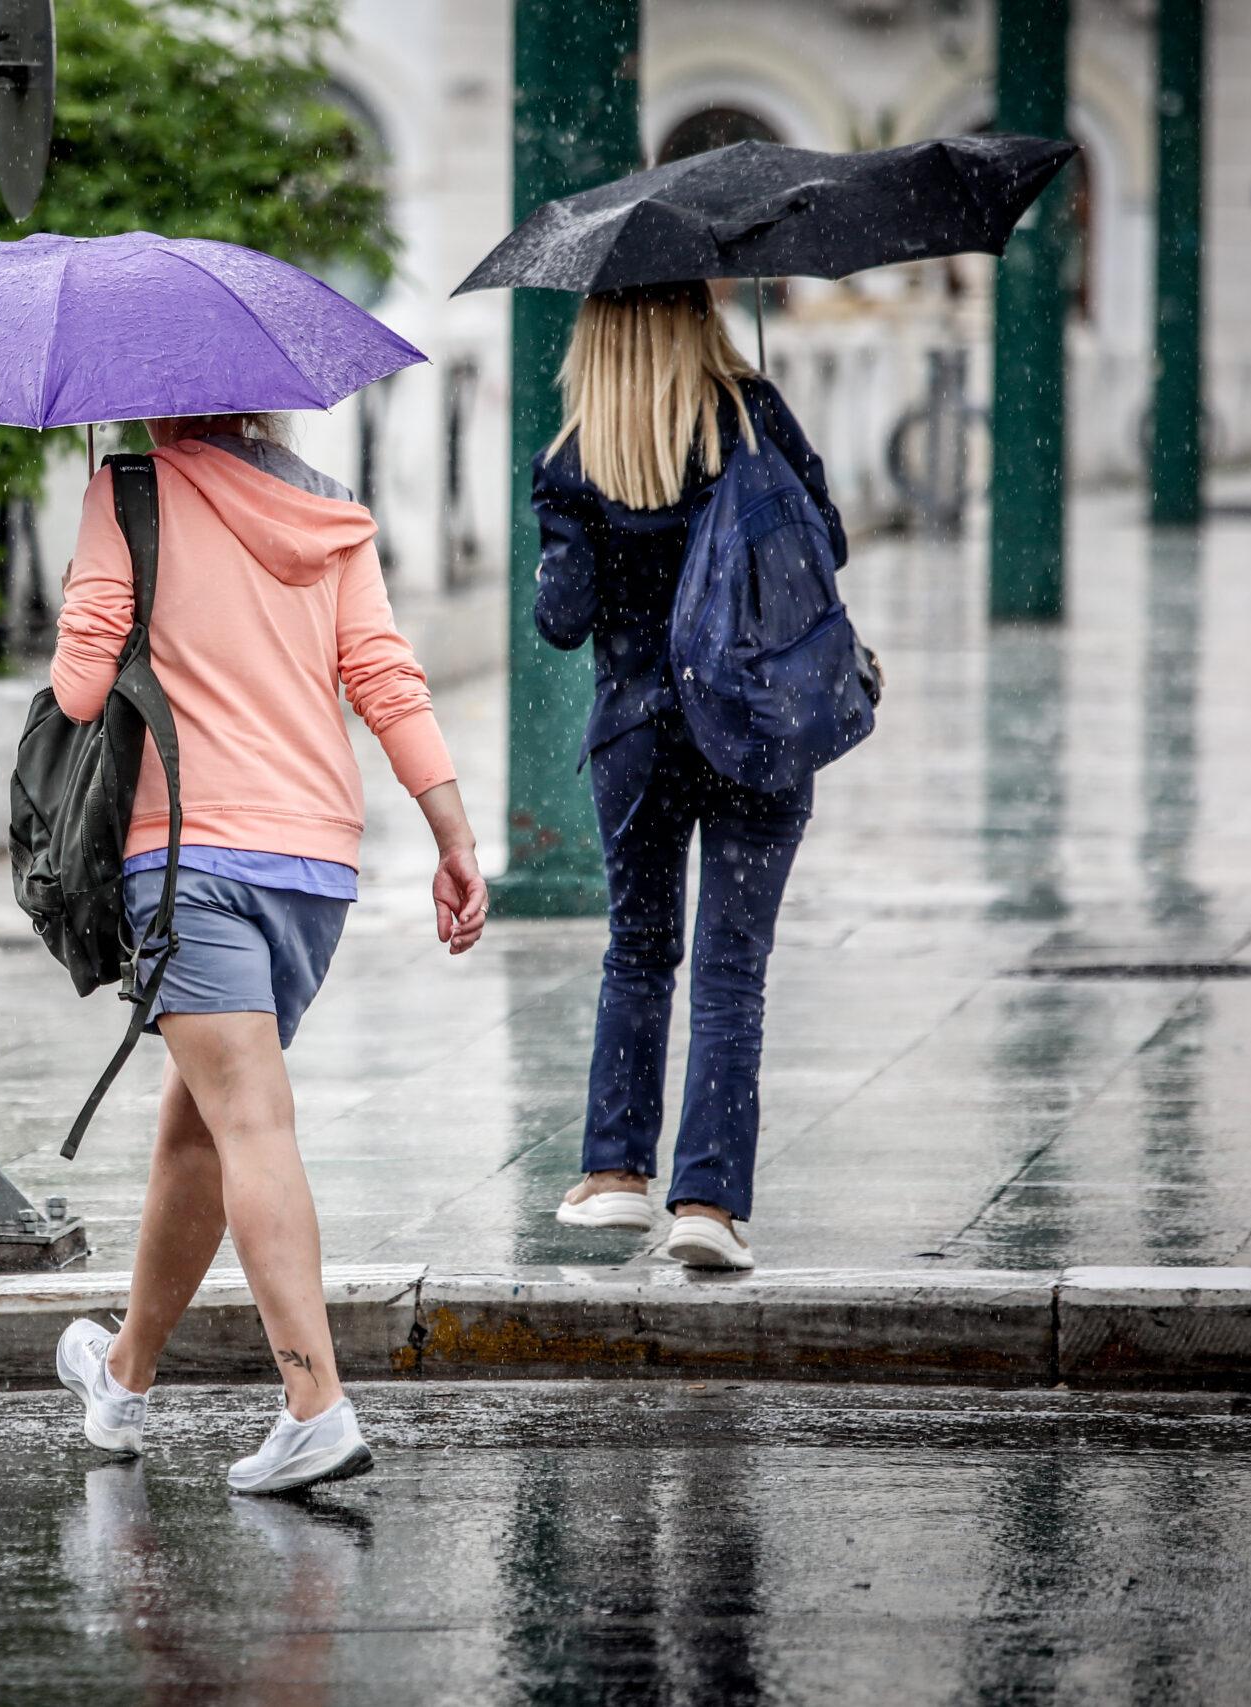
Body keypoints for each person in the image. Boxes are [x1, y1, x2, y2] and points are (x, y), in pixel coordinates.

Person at [48, 415, 487, 1495]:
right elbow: (383, 677)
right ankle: (123, 1376)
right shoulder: (327, 510)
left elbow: (79, 691)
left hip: (190, 849)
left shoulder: (129, 492)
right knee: (194, 1125)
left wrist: (104, 583)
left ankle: (315, 1404)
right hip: (313, 867)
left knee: (247, 1118)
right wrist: (453, 835)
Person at [531, 282, 846, 1272]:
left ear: (597, 334)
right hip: (753, 725)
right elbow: (826, 547)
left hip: (636, 734)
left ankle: (615, 1175)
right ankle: (708, 1200)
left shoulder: (572, 457)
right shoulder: (753, 416)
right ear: (698, 316)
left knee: (638, 951)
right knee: (729, 969)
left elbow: (561, 619)